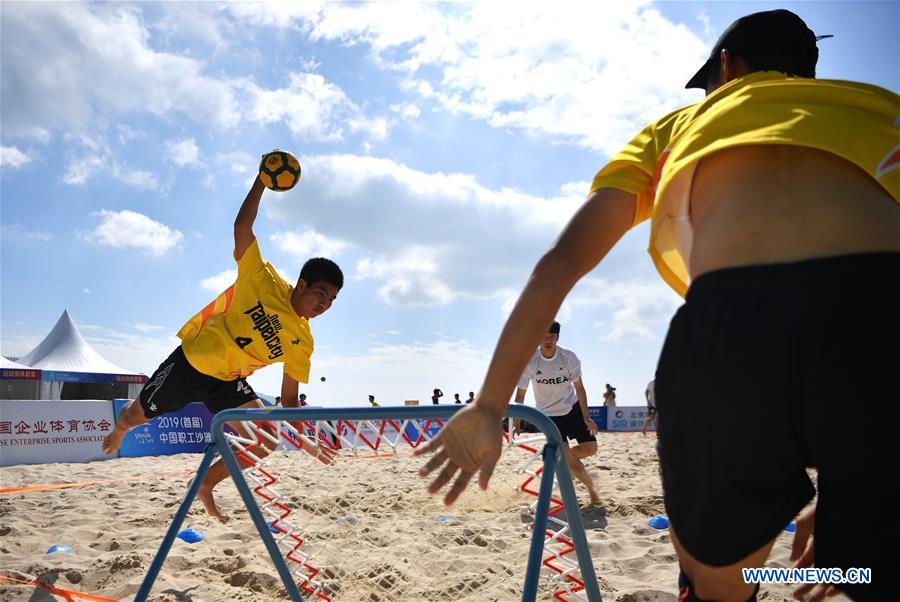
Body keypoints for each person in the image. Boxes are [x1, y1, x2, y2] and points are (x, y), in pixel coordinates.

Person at [417, 10, 896, 602]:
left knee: (720, 586)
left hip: (734, 323)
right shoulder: (879, 107)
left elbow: (563, 260)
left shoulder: (682, 124)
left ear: (727, 67)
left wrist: (489, 404)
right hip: (881, 317)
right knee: (866, 568)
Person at [101, 169, 343, 522]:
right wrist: (262, 181)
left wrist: (305, 441)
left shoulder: (302, 340)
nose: (325, 305)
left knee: (266, 439)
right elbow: (242, 227)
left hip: (228, 382)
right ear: (302, 285)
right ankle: (121, 427)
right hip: (192, 363)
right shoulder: (262, 280)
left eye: (332, 300)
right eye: (321, 293)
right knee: (133, 416)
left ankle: (205, 483)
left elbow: (289, 400)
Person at [513, 321, 599, 504]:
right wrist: (517, 420)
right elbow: (520, 393)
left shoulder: (568, 357)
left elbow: (579, 388)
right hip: (549, 416)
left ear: (557, 338)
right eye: (544, 336)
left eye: (552, 336)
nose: (548, 340)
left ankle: (564, 460)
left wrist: (586, 417)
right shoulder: (531, 361)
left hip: (572, 408)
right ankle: (592, 491)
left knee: (591, 449)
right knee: (568, 457)